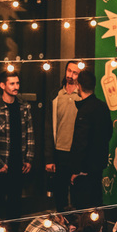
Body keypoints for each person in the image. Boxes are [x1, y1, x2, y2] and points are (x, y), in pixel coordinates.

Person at [0, 68, 35, 219]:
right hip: (0, 163)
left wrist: (29, 158)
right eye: (12, 83)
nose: (16, 87)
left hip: (18, 161)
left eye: (17, 83)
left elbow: (30, 133)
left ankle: (14, 230)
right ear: (2, 85)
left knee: (15, 200)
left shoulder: (24, 106)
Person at [70, 68, 113, 209]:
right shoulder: (102, 107)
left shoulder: (84, 110)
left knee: (82, 208)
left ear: (79, 86)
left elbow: (80, 142)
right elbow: (109, 133)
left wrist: (77, 169)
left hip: (85, 169)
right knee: (96, 205)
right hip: (98, 165)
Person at [47, 60, 82, 207]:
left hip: (76, 150)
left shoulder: (82, 96)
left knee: (77, 192)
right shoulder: (56, 95)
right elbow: (49, 126)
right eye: (69, 71)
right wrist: (49, 157)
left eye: (75, 72)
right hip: (59, 150)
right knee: (60, 191)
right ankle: (61, 217)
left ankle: (76, 220)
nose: (71, 75)